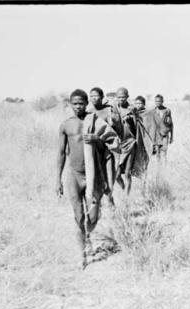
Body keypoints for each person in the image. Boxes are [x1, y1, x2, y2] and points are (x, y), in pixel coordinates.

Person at [56, 89, 120, 269]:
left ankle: (88, 235)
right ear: (70, 104)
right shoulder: (65, 126)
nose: (78, 107)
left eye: (81, 103)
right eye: (75, 103)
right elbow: (61, 153)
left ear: (86, 104)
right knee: (78, 216)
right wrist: (57, 180)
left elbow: (112, 142)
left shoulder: (95, 122)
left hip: (94, 176)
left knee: (92, 217)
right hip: (74, 176)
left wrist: (96, 139)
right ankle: (82, 255)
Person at [87, 87, 123, 207]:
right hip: (94, 150)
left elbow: (119, 130)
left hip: (108, 149)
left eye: (96, 96)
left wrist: (116, 146)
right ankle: (96, 203)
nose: (94, 98)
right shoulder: (89, 112)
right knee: (95, 176)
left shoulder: (109, 111)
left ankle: (110, 198)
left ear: (102, 97)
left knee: (110, 176)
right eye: (91, 96)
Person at [114, 88, 150, 195]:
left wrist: (133, 116)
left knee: (127, 174)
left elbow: (139, 125)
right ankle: (124, 188)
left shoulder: (132, 109)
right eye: (119, 97)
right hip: (118, 146)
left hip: (130, 144)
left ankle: (126, 197)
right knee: (116, 174)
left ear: (127, 97)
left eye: (123, 97)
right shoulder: (114, 109)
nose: (121, 99)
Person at [152, 94, 173, 164]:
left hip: (164, 135)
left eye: (159, 101)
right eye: (156, 101)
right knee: (157, 154)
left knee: (164, 153)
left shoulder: (167, 110)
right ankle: (158, 170)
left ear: (162, 101)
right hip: (156, 136)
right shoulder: (153, 111)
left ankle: (164, 170)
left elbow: (171, 124)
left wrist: (171, 137)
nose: (157, 103)